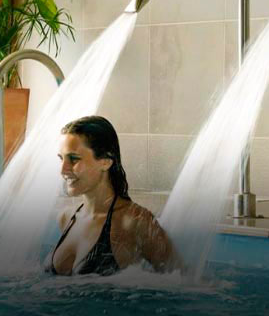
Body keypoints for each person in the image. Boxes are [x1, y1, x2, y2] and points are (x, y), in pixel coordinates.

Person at [45, 116, 182, 276]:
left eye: (74, 159)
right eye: (61, 159)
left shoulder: (135, 221)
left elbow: (182, 279)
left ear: (105, 162)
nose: (63, 170)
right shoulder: (67, 218)